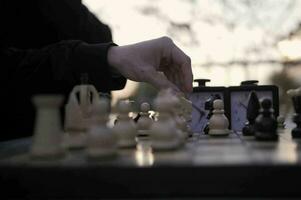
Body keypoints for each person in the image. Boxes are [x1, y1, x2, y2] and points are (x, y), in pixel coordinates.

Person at [0, 0, 193, 141]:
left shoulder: (94, 27)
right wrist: (108, 57)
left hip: (83, 154)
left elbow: (100, 106)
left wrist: (109, 58)